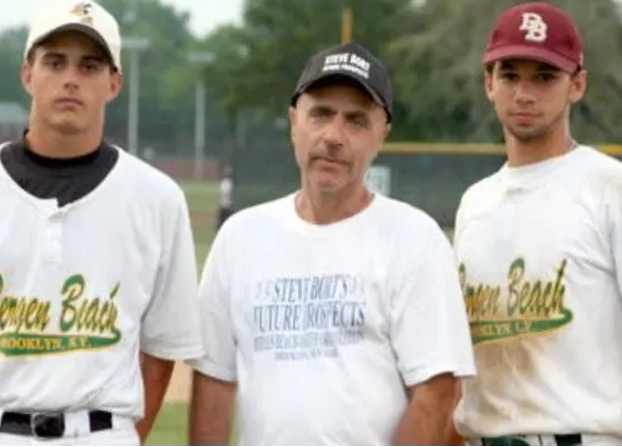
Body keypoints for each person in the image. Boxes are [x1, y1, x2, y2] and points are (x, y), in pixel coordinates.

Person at [0, 0, 204, 446]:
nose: (71, 78)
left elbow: (161, 351)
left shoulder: (158, 199)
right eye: (55, 62)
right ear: (27, 73)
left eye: (90, 66)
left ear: (114, 82)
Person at [187, 41, 477, 446]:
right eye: (320, 114)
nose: (334, 136)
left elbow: (437, 392)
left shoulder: (414, 238)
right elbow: (214, 381)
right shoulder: (240, 237)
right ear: (294, 122)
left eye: (356, 120)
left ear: (382, 133)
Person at [451, 1, 622, 446]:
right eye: (509, 75)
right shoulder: (474, 203)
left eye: (544, 77)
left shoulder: (616, 188)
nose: (524, 92)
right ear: (489, 83)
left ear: (576, 84)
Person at [215, 164, 234, 231]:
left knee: (220, 225)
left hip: (223, 205)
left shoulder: (223, 183)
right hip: (227, 206)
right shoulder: (229, 183)